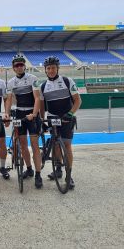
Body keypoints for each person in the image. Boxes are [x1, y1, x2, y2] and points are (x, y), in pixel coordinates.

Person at [39, 56, 82, 189]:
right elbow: (41, 106)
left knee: (67, 145)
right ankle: (58, 169)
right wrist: (42, 120)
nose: (51, 70)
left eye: (53, 68)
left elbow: (78, 101)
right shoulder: (43, 86)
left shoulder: (67, 81)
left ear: (57, 68)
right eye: (48, 68)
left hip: (67, 117)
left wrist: (70, 114)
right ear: (45, 70)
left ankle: (69, 175)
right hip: (52, 118)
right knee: (56, 145)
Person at [5, 54, 43, 188]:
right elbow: (9, 99)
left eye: (21, 64)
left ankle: (38, 174)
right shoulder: (10, 82)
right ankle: (29, 168)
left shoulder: (33, 78)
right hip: (20, 114)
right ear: (13, 68)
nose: (19, 67)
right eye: (17, 65)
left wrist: (34, 113)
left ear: (24, 66)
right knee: (22, 144)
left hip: (32, 114)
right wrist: (6, 114)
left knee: (34, 145)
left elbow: (37, 98)